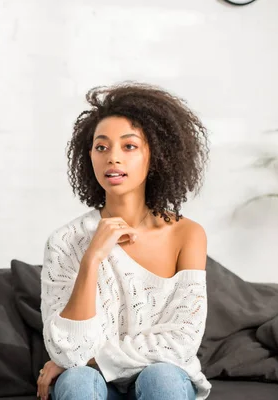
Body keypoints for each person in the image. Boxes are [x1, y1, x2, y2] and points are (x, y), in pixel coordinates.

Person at [37, 82, 211, 400]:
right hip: (92, 385)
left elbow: (181, 340)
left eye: (129, 146)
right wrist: (92, 258)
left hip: (162, 377)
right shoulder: (65, 241)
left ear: (155, 155)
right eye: (101, 147)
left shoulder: (187, 234)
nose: (112, 158)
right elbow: (66, 349)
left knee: (162, 378)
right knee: (77, 381)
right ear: (87, 155)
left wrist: (91, 360)